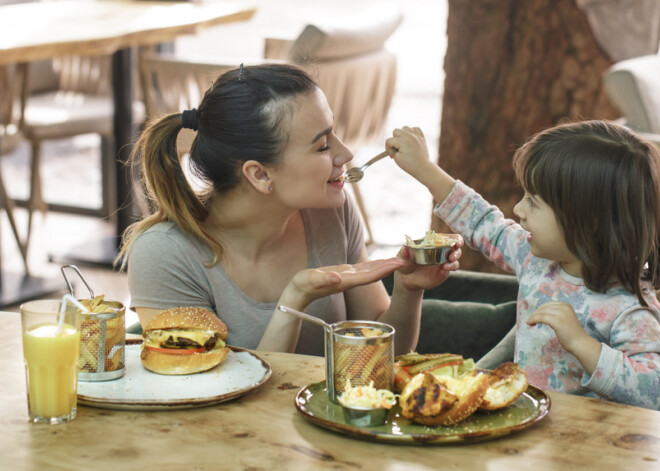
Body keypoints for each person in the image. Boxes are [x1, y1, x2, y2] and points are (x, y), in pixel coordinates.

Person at [118, 63, 462, 357]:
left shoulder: (330, 213)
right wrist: (295, 297)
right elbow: (211, 397)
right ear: (260, 174)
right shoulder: (164, 254)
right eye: (323, 145)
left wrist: (407, 290)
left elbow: (379, 357)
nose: (346, 155)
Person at [386, 120, 660, 410]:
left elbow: (653, 391)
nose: (518, 210)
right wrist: (425, 169)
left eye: (533, 201)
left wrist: (583, 345)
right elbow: (484, 222)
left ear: (589, 222)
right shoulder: (537, 261)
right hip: (528, 434)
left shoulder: (630, 309)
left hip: (585, 447)